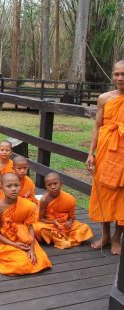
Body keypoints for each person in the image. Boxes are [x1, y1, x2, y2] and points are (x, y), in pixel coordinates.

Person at [86, 60, 124, 255]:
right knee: (104, 193)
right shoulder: (105, 98)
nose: (120, 78)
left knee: (122, 198)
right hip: (105, 152)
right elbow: (97, 127)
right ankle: (106, 235)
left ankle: (117, 238)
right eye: (117, 74)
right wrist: (91, 153)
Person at [0, 173, 52, 275]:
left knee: (40, 261)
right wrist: (14, 245)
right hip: (6, 240)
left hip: (24, 237)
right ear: (1, 187)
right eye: (9, 186)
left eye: (16, 185)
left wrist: (31, 248)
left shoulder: (28, 205)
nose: (13, 189)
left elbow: (30, 228)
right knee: (22, 264)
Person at [33, 172, 93, 249]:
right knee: (39, 229)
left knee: (85, 228)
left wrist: (70, 222)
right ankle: (65, 239)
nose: (53, 187)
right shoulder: (44, 200)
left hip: (65, 225)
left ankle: (62, 240)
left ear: (61, 184)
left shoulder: (70, 199)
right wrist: (53, 222)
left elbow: (72, 217)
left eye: (55, 183)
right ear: (46, 187)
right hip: (51, 225)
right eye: (49, 185)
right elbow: (40, 219)